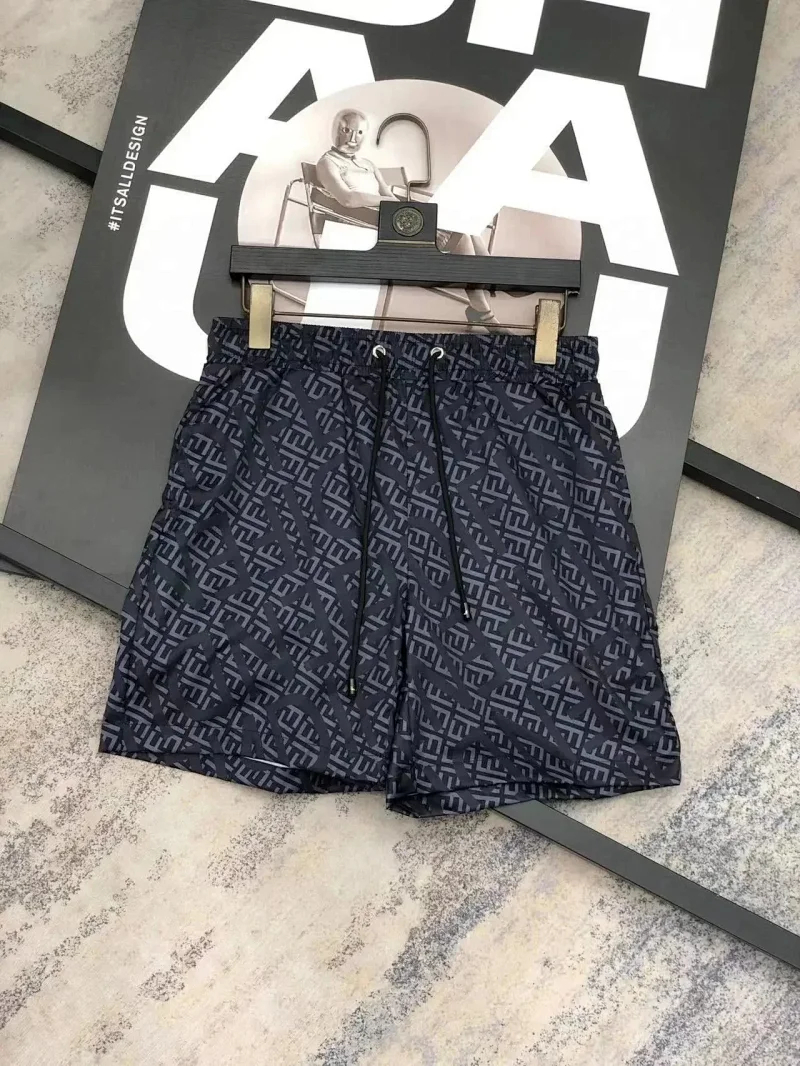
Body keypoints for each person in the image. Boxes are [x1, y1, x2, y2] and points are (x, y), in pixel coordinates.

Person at [316, 109, 499, 330]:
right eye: (346, 130)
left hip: (391, 217)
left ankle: (490, 273)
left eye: (360, 132)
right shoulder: (327, 163)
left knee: (461, 222)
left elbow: (390, 197)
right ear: (335, 129)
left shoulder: (368, 164)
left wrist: (412, 212)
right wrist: (391, 204)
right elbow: (348, 199)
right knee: (461, 238)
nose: (353, 138)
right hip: (368, 225)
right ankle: (483, 307)